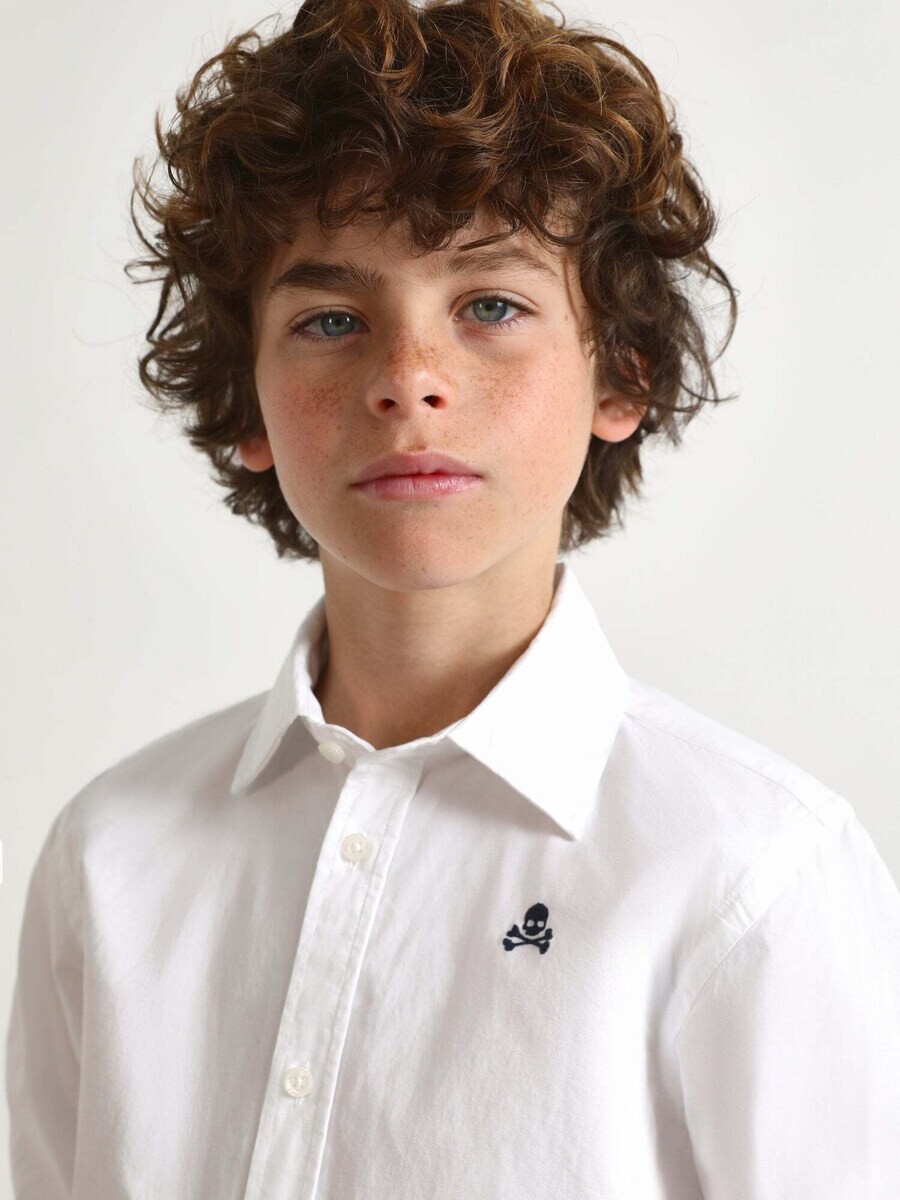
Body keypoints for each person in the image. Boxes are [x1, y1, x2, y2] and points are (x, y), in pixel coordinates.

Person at [7, 0, 900, 1196]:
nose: (408, 379)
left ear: (622, 372)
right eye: (331, 320)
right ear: (244, 401)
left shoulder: (752, 876)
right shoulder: (111, 858)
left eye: (491, 306)